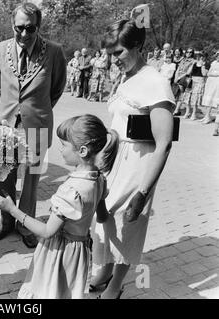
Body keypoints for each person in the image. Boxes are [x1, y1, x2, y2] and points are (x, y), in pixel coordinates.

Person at [91, 19, 175, 299]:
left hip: (138, 166)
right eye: (109, 54)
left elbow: (163, 144)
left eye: (118, 53)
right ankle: (103, 270)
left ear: (137, 46)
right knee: (104, 218)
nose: (113, 60)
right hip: (114, 161)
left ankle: (116, 286)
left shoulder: (156, 82)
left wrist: (142, 193)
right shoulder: (127, 76)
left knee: (129, 227)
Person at [0, 114, 119, 299]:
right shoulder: (99, 179)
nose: (60, 150)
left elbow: (46, 231)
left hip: (59, 253)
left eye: (64, 145)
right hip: (79, 253)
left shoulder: (71, 190)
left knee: (48, 291)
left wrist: (13, 210)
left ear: (82, 151)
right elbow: (102, 217)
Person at [0, 2, 67, 248]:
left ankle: (26, 225)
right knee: (5, 177)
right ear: (13, 25)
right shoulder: (0, 50)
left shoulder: (54, 52)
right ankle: (6, 221)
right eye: (19, 28)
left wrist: (37, 111)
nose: (24, 34)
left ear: (39, 26)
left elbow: (56, 89)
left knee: (32, 178)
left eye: (30, 28)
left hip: (37, 125)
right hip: (6, 125)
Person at [181, 50, 208, 120]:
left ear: (205, 57)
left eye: (202, 56)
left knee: (195, 99)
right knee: (187, 97)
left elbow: (204, 74)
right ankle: (187, 112)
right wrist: (192, 64)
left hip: (199, 82)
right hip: (192, 81)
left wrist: (202, 65)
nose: (201, 58)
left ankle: (194, 114)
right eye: (200, 56)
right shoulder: (194, 63)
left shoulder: (206, 64)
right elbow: (188, 72)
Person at [173, 48, 195, 116]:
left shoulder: (192, 61)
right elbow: (178, 69)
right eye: (187, 52)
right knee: (175, 93)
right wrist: (176, 77)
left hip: (185, 78)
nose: (188, 53)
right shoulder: (183, 60)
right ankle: (175, 109)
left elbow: (188, 72)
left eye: (190, 52)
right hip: (178, 76)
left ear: (192, 53)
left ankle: (177, 110)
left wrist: (179, 77)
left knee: (181, 94)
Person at [199, 50, 219, 126]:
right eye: (217, 55)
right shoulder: (213, 63)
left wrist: (213, 74)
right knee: (209, 100)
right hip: (210, 82)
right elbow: (208, 73)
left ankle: (217, 117)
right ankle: (207, 116)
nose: (218, 57)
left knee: (216, 100)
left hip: (217, 83)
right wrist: (214, 74)